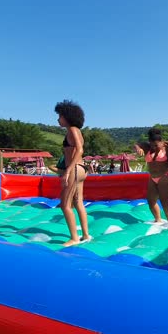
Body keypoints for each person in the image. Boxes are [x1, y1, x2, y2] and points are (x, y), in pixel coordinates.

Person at [55, 100, 91, 246]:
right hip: (81, 169)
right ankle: (86, 235)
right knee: (78, 203)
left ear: (67, 116)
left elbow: (80, 150)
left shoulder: (73, 130)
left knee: (65, 205)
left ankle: (75, 238)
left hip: (75, 169)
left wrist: (68, 171)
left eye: (60, 116)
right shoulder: (76, 130)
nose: (58, 119)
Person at [134, 128, 168, 225]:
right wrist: (138, 148)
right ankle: (158, 220)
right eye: (152, 145)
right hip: (152, 177)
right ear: (149, 142)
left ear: (161, 142)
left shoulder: (166, 148)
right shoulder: (146, 146)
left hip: (165, 175)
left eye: (156, 145)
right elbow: (137, 144)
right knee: (151, 201)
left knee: (164, 201)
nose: (154, 147)